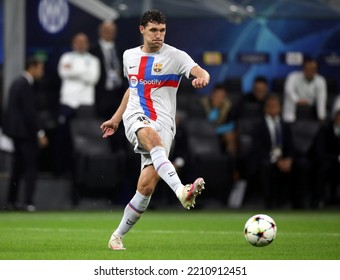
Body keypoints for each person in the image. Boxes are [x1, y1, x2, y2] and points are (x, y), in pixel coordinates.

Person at [100, 10, 210, 250]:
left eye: (162, 30)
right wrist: (117, 118)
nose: (158, 35)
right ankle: (181, 190)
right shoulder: (129, 56)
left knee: (146, 187)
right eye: (153, 30)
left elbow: (200, 71)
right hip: (137, 116)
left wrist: (202, 78)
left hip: (165, 124)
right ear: (142, 30)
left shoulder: (176, 56)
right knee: (150, 136)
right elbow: (132, 90)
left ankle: (116, 236)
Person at [3, 57, 48, 211]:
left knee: (17, 167)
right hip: (25, 134)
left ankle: (11, 201)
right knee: (30, 167)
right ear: (32, 67)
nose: (42, 72)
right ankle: (28, 202)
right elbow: (29, 112)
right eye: (40, 68)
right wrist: (39, 132)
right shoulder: (25, 84)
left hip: (16, 133)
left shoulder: (17, 82)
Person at [56, 33, 100, 175]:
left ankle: (83, 173)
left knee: (86, 139)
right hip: (67, 102)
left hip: (85, 104)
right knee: (64, 138)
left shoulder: (94, 60)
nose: (80, 45)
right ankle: (62, 171)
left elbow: (93, 79)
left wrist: (74, 71)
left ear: (87, 44)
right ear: (73, 44)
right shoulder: (66, 57)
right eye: (77, 42)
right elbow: (63, 73)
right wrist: (83, 73)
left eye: (83, 42)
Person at [251, 95, 294, 209]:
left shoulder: (285, 125)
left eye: (276, 106)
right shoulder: (258, 126)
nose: (273, 109)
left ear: (280, 108)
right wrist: (276, 160)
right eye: (270, 106)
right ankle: (268, 202)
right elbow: (258, 148)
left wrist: (289, 159)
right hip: (266, 158)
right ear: (265, 108)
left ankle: (292, 202)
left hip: (283, 158)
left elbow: (290, 145)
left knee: (301, 165)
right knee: (265, 166)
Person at [90, 20, 124, 119]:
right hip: (101, 93)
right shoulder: (93, 50)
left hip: (118, 93)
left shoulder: (121, 48)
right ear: (100, 32)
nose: (110, 33)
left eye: (112, 31)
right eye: (107, 31)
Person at [310, 98, 340, 208]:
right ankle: (319, 200)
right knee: (322, 168)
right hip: (326, 161)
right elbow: (320, 151)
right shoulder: (325, 129)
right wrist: (336, 158)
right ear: (335, 116)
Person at [283, 58, 327, 123]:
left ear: (316, 70)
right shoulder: (293, 76)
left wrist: (321, 117)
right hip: (294, 109)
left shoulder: (321, 80)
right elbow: (289, 91)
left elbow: (321, 99)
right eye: (308, 68)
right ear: (303, 69)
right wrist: (297, 100)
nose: (310, 71)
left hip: (311, 110)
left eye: (313, 69)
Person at [201, 83, 236, 154]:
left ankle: (230, 161)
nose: (218, 99)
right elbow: (207, 123)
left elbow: (231, 125)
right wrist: (215, 109)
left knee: (231, 136)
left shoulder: (228, 106)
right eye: (216, 96)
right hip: (204, 132)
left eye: (221, 97)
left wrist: (217, 130)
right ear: (211, 95)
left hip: (219, 132)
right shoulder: (203, 104)